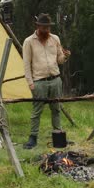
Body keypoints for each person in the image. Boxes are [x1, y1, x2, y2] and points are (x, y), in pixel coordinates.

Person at [22, 13, 71, 149]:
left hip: (55, 79)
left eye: (48, 27)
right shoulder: (29, 41)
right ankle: (33, 138)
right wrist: (30, 82)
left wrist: (65, 56)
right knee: (37, 111)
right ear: (38, 26)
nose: (46, 30)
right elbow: (26, 64)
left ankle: (58, 135)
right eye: (44, 28)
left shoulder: (55, 39)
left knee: (56, 109)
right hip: (39, 81)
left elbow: (59, 59)